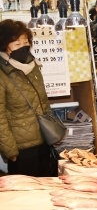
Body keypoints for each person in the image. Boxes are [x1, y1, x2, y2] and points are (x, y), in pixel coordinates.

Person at [0, 20, 57, 176]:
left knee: (48, 187)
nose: (23, 47)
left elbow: (44, 103)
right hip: (20, 147)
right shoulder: (2, 73)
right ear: (5, 45)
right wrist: (9, 149)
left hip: (43, 139)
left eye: (26, 42)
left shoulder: (32, 66)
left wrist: (53, 132)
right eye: (17, 44)